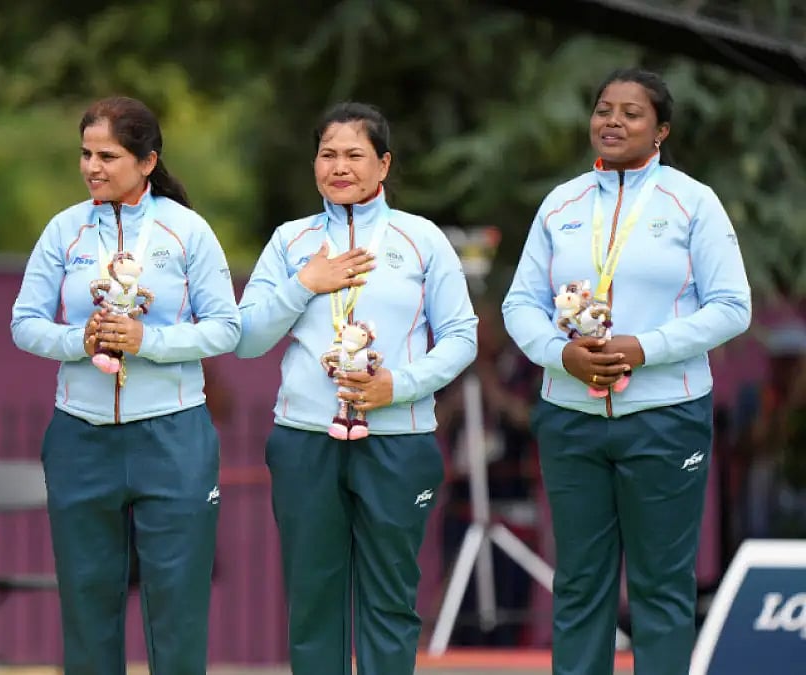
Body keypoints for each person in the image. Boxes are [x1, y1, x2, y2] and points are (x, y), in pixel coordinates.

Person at [501, 67, 751, 675]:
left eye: (631, 113)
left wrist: (646, 347)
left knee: (661, 586)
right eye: (603, 108)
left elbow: (732, 306)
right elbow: (519, 304)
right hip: (571, 417)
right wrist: (561, 354)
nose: (612, 121)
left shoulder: (692, 202)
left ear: (660, 130)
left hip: (665, 418)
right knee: (580, 584)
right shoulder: (560, 204)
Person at [236, 102, 478, 675]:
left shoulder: (421, 240)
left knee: (390, 601)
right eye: (327, 154)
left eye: (354, 155)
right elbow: (245, 337)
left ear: (383, 164)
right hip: (305, 439)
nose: (338, 167)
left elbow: (462, 336)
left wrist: (398, 385)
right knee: (314, 602)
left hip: (398, 439)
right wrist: (304, 284)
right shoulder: (291, 241)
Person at [10, 96, 240, 674]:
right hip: (81, 437)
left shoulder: (186, 230)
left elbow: (225, 328)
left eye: (108, 155)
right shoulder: (64, 229)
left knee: (176, 607)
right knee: (88, 604)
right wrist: (77, 341)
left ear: (146, 160)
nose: (92, 167)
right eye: (86, 154)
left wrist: (148, 342)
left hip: (174, 435)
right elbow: (23, 323)